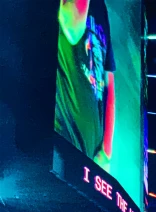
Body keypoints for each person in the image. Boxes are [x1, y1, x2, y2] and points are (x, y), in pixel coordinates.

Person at [55, 0, 116, 171]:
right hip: (62, 139)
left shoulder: (101, 8)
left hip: (91, 155)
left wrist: (106, 152)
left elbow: (109, 84)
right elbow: (72, 28)